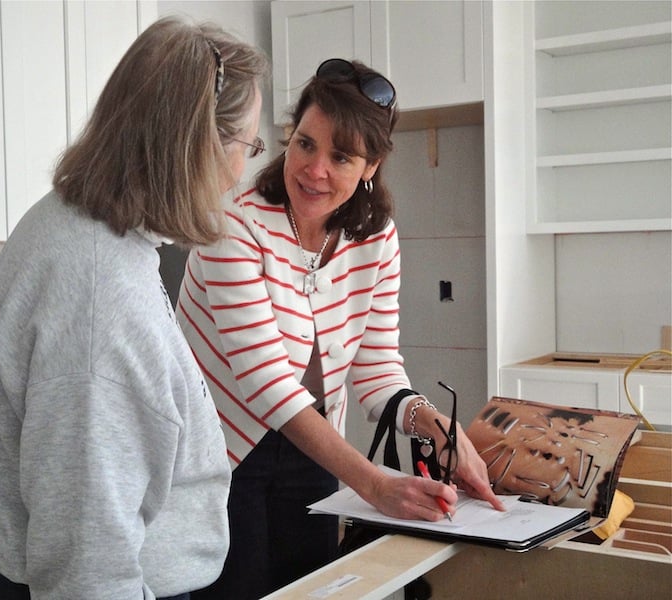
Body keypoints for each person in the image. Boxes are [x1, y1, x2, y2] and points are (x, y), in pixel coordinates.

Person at [176, 58, 505, 599]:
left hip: (312, 453)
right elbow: (265, 384)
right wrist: (373, 482)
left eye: (341, 156)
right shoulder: (232, 219)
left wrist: (437, 428)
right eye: (305, 144)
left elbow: (376, 370)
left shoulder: (376, 240)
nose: (314, 169)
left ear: (371, 165)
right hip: (219, 453)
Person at [0, 16, 268, 600]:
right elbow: (88, 566)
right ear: (201, 145)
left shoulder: (73, 222)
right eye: (246, 146)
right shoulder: (101, 296)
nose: (241, 172)